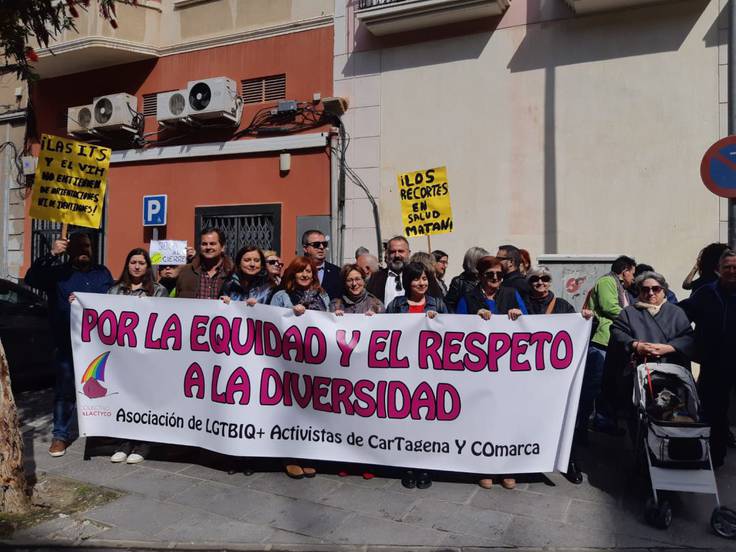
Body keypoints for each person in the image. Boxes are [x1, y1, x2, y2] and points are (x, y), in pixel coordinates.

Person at [25, 232, 113, 457]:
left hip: (98, 346)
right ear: (69, 249)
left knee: (101, 388)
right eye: (78, 247)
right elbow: (32, 279)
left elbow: (115, 300)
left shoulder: (102, 274)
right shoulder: (57, 274)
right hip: (68, 344)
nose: (84, 251)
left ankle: (100, 433)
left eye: (88, 247)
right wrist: (52, 254)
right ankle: (60, 436)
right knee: (65, 391)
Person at [455, 256, 522, 489]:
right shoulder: (468, 298)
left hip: (507, 368)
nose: (495, 278)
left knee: (506, 417)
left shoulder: (512, 294)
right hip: (479, 369)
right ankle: (484, 466)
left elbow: (531, 325)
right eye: (490, 275)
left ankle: (507, 467)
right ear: (480, 276)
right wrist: (475, 319)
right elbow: (458, 329)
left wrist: (518, 315)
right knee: (482, 417)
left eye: (499, 275)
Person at [526, 267, 595, 484]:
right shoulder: (521, 304)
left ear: (550, 281)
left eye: (545, 279)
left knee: (563, 416)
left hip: (555, 375)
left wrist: (586, 319)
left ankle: (569, 461)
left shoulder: (563, 306)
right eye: (535, 279)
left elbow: (583, 333)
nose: (540, 282)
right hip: (526, 373)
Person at [385, 262, 448, 490]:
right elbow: (384, 332)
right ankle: (407, 465)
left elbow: (451, 333)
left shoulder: (437, 303)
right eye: (416, 279)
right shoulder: (396, 304)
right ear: (407, 281)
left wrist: (438, 320)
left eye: (424, 279)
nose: (421, 283)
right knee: (405, 417)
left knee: (426, 417)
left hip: (429, 371)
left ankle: (424, 465)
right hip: (402, 370)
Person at [270, 256, 330, 479]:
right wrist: (290, 316)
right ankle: (290, 456)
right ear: (292, 274)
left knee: (311, 409)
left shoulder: (322, 295)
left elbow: (329, 322)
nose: (305, 275)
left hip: (315, 361)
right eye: (300, 271)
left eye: (309, 271)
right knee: (290, 409)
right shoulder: (280, 297)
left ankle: (308, 454)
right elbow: (270, 324)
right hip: (287, 362)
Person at [107, 248, 168, 464]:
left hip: (147, 355)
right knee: (123, 397)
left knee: (145, 398)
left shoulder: (158, 290)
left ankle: (143, 444)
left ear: (147, 266)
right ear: (127, 264)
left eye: (141, 263)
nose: (137, 266)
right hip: (121, 355)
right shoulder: (115, 290)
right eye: (133, 262)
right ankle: (123, 442)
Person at [680, 250, 736, 467]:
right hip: (715, 363)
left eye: (735, 267)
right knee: (714, 410)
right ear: (718, 270)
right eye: (727, 267)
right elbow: (682, 313)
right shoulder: (706, 294)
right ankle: (714, 455)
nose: (731, 271)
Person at [587, 255, 636, 434]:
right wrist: (634, 317)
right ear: (624, 272)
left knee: (610, 384)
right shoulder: (607, 281)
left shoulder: (621, 288)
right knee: (598, 383)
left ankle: (607, 420)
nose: (633, 278)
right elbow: (609, 307)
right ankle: (593, 421)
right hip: (602, 341)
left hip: (612, 343)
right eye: (632, 273)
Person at [176, 228, 234, 299]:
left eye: (212, 244)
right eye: (204, 244)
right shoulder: (186, 271)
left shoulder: (232, 272)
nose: (208, 247)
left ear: (222, 248)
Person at [367, 236, 412, 305]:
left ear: (409, 253)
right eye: (393, 252)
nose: (397, 255)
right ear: (387, 254)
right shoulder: (375, 277)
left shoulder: (418, 276)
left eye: (401, 251)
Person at [445, 246, 489, 312]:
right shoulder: (459, 281)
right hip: (466, 319)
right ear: (474, 262)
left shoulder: (487, 279)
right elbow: (449, 305)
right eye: (484, 262)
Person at [302, 229, 341, 299]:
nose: (321, 247)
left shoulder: (337, 272)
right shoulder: (295, 271)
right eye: (316, 245)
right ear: (305, 248)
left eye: (324, 244)